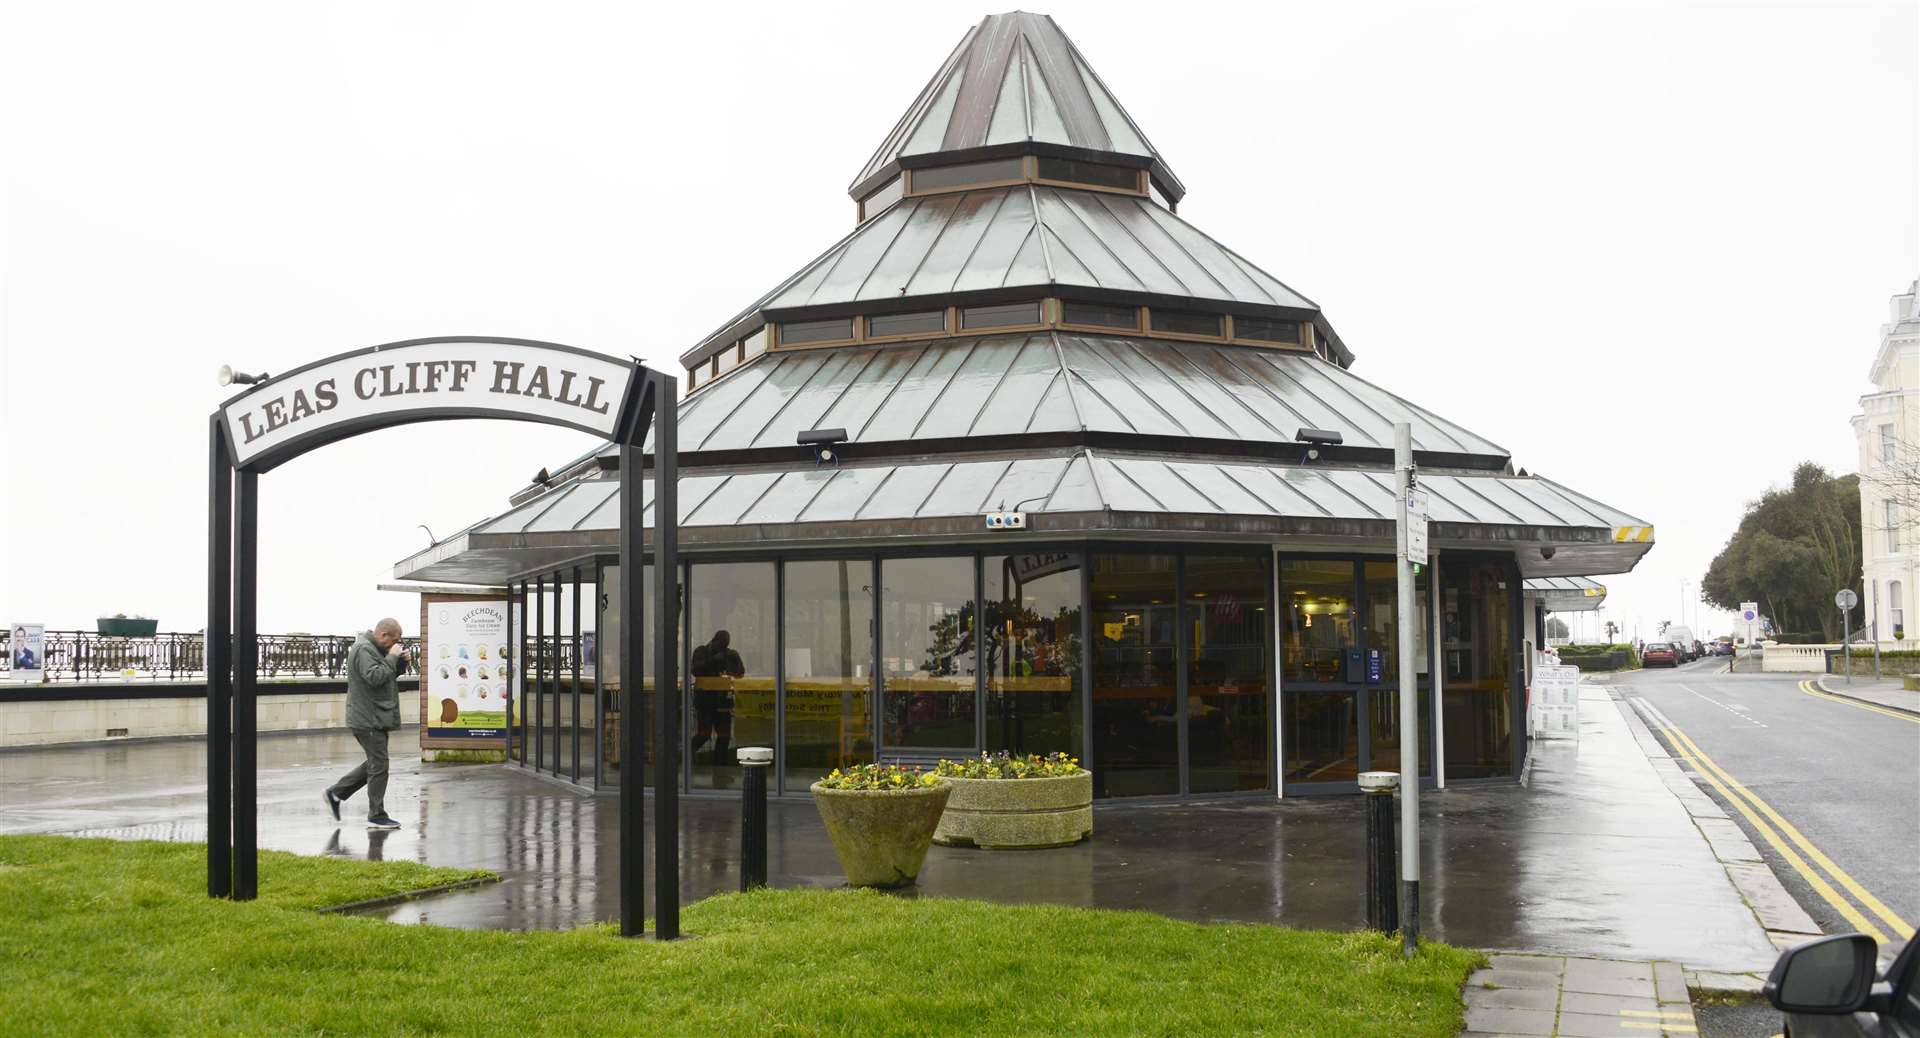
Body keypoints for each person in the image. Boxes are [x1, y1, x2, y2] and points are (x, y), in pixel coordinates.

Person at [323, 618, 408, 830]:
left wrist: (401, 662)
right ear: (383, 635)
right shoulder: (364, 649)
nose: (395, 644)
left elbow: (387, 675)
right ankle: (376, 815)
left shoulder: (374, 648)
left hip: (374, 716)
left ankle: (335, 793)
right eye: (394, 641)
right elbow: (374, 677)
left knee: (375, 762)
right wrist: (391, 656)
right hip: (368, 718)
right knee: (379, 764)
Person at [688, 629, 745, 771]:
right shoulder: (701, 652)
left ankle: (721, 767)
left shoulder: (731, 654)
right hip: (705, 700)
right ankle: (684, 758)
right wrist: (712, 661)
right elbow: (695, 670)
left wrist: (730, 661)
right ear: (713, 641)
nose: (722, 647)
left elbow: (740, 672)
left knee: (724, 735)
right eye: (720, 643)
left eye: (725, 644)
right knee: (704, 734)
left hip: (722, 700)